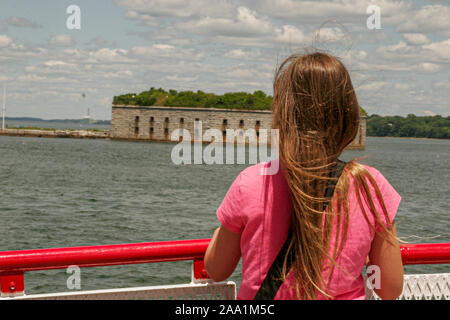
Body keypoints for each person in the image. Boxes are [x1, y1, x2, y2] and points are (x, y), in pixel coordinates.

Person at [204, 52, 404, 300]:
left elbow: (217, 269)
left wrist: (219, 235)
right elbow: (390, 289)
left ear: (283, 115)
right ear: (348, 115)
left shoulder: (251, 182)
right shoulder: (371, 187)